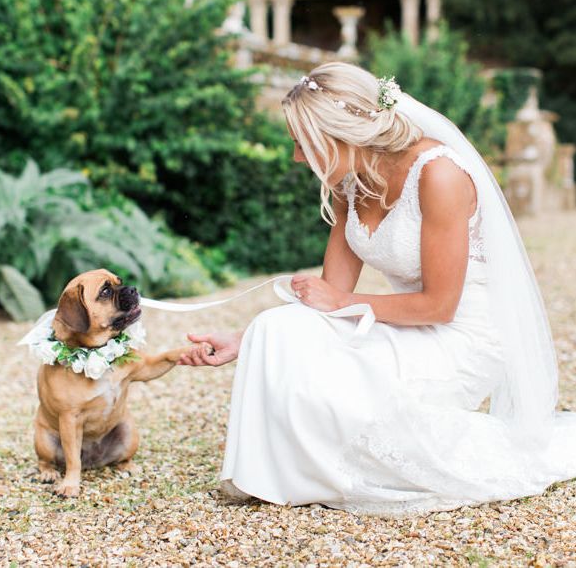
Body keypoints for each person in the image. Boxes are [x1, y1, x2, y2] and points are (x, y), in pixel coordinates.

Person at [178, 62, 576, 515]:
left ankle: (320, 469)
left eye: (303, 143)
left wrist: (344, 303)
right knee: (275, 327)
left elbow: (440, 306)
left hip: (462, 335)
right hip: (400, 321)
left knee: (350, 401)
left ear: (344, 133)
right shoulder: (352, 183)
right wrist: (244, 343)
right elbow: (330, 293)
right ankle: (270, 476)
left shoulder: (438, 174)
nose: (296, 157)